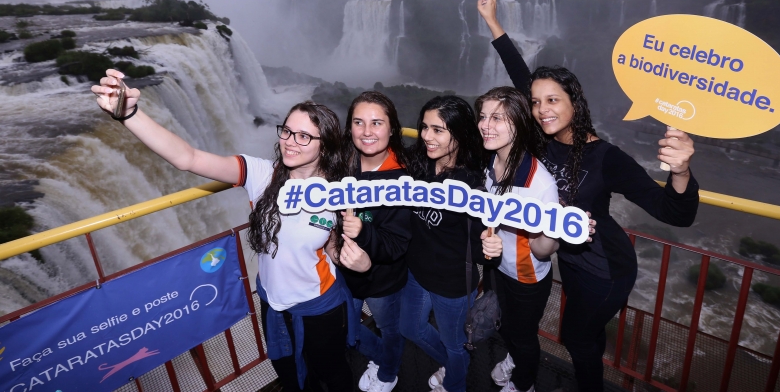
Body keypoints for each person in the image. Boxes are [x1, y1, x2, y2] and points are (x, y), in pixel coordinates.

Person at [477, 0, 700, 392]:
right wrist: (493, 22)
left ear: (574, 104)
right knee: (586, 337)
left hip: (606, 267)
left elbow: (676, 213)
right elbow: (520, 73)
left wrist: (681, 171)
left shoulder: (605, 157)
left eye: (553, 100)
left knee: (577, 338)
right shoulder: (540, 139)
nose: (542, 110)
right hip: (571, 263)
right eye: (536, 102)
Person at [92, 70, 360, 392]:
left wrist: (348, 256)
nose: (290, 142)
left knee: (332, 373)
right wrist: (130, 115)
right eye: (287, 131)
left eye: (304, 136)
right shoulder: (261, 175)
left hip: (318, 304)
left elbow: (333, 245)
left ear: (325, 144)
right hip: (272, 302)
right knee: (290, 377)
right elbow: (187, 158)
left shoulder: (338, 192)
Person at [477, 86, 590, 392]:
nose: (486, 125)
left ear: (519, 124)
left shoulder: (539, 183)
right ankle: (513, 357)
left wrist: (555, 231)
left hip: (526, 276)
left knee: (523, 336)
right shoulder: (489, 163)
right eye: (483, 116)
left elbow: (542, 251)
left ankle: (524, 383)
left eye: (498, 118)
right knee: (506, 328)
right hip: (495, 267)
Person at [399, 95, 503, 392]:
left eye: (438, 130)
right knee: (411, 329)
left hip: (452, 284)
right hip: (416, 273)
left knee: (455, 344)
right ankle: (456, 365)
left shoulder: (472, 185)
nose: (427, 137)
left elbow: (484, 247)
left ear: (459, 135)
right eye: (424, 127)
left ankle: (456, 382)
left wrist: (491, 248)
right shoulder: (419, 165)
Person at [338, 91, 413, 392]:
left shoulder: (404, 179)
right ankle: (383, 356)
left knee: (389, 328)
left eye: (377, 123)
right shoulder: (342, 163)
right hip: (344, 274)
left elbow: (397, 245)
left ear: (392, 128)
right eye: (359, 122)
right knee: (346, 329)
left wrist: (362, 232)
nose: (367, 132)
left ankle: (388, 372)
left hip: (383, 280)